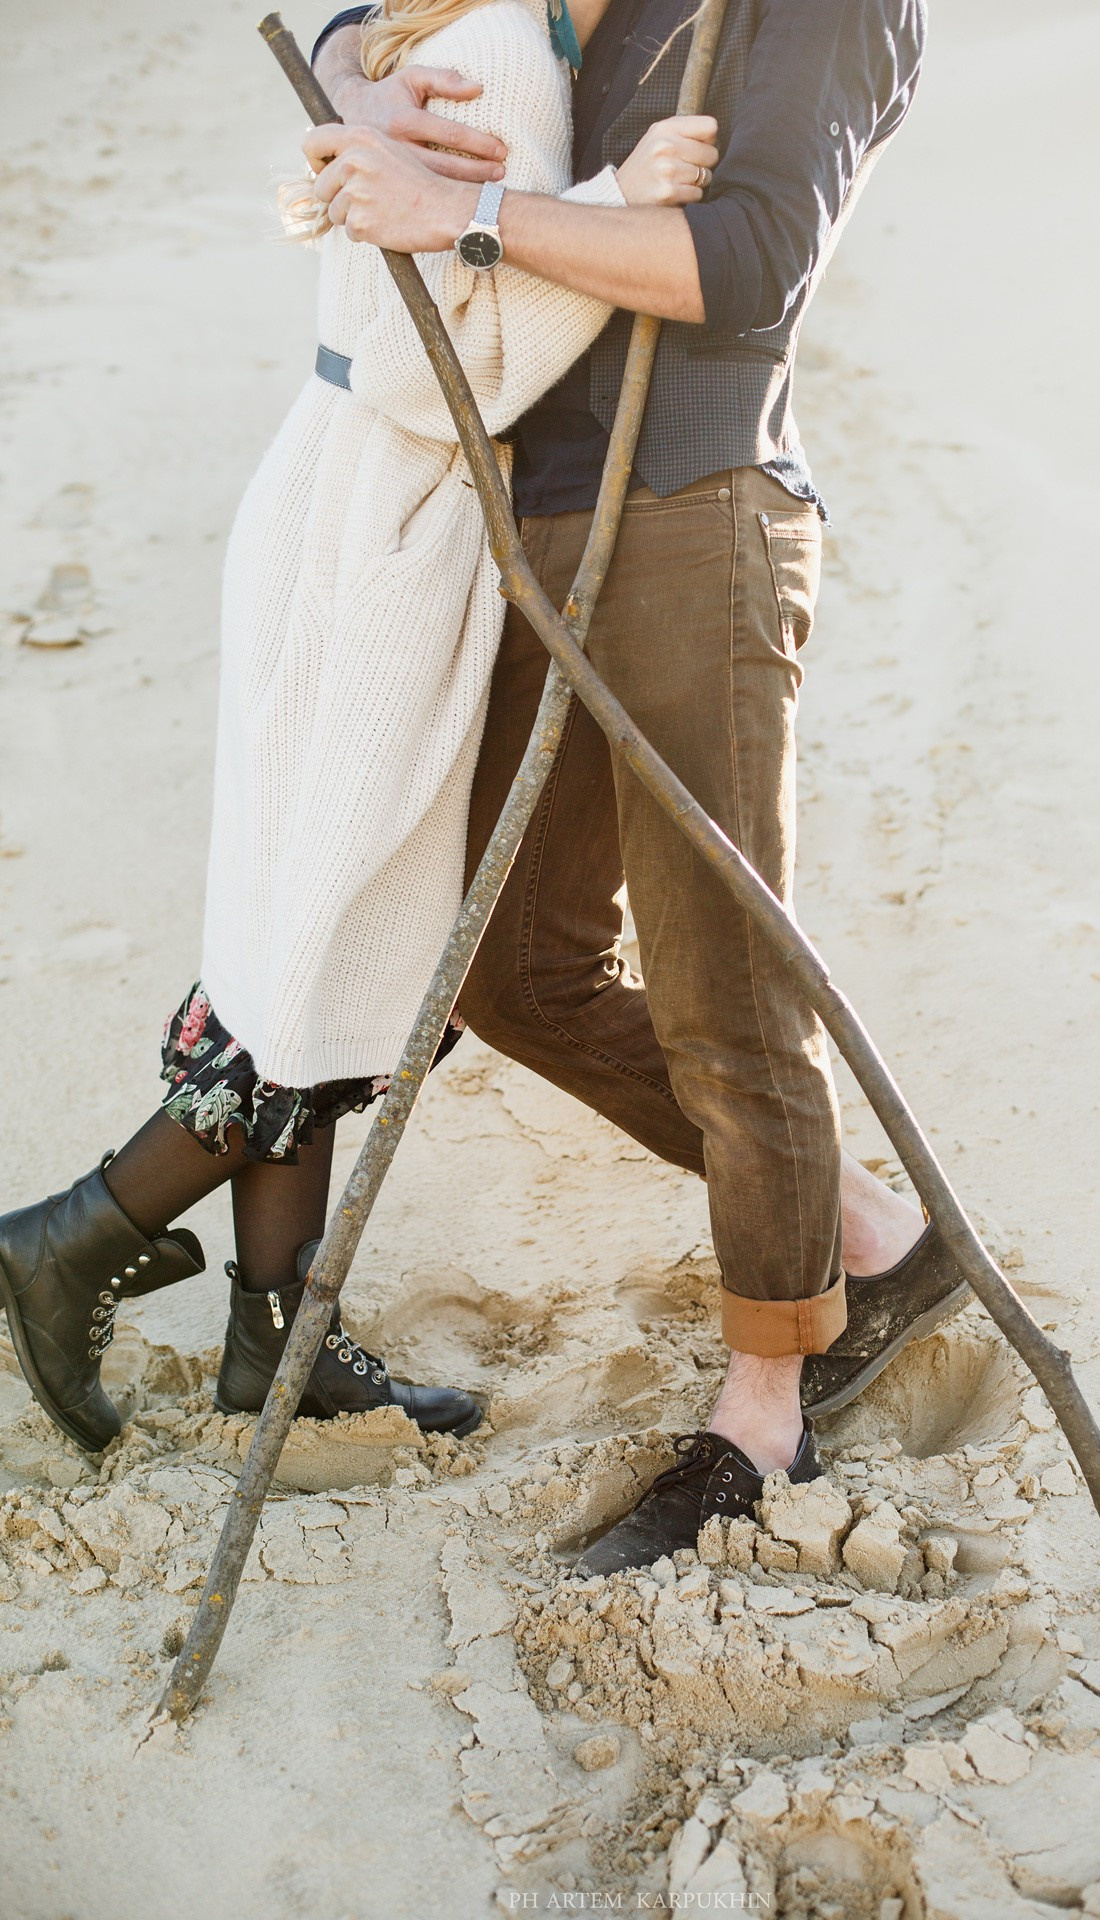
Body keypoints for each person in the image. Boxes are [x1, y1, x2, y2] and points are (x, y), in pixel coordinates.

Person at [0, 0, 726, 1459]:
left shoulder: (446, 28)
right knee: (345, 952)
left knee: (320, 938)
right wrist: (609, 209)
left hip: (357, 512)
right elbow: (435, 363)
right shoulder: (503, 53)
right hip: (384, 530)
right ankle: (76, 1236)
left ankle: (278, 1333)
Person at [304, 0, 969, 1577]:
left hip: (697, 515)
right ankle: (866, 1236)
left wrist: (466, 212)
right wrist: (360, 94)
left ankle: (766, 1411)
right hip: (533, 526)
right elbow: (373, 23)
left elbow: (748, 263)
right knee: (508, 968)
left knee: (727, 989)